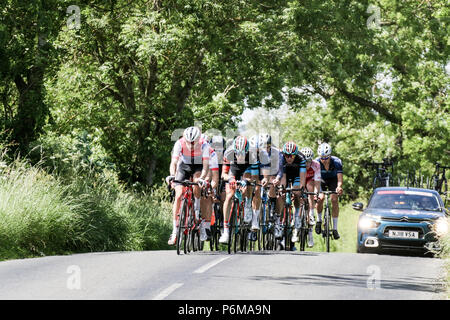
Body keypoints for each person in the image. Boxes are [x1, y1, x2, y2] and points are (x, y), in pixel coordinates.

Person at [218, 136, 270, 243]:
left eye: (242, 153)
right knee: (229, 196)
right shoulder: (229, 153)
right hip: (234, 168)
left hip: (248, 167)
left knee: (252, 185)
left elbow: (255, 179)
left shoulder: (253, 155)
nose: (240, 156)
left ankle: (248, 204)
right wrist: (231, 179)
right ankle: (226, 231)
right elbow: (224, 174)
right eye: (238, 153)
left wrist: (247, 181)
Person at [166, 126, 210, 245]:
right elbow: (174, 162)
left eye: (193, 142)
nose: (191, 145)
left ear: (198, 140)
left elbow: (206, 166)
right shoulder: (179, 143)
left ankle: (196, 211)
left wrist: (202, 179)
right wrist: (172, 175)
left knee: (197, 183)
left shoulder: (204, 145)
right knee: (179, 194)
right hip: (184, 166)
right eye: (188, 142)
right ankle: (175, 231)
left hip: (198, 166)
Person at [272, 141, 307, 249]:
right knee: (281, 192)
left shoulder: (301, 158)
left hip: (297, 175)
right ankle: (278, 220)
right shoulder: (281, 157)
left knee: (297, 192)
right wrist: (282, 188)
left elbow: (302, 178)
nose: (289, 158)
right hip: (285, 174)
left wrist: (300, 188)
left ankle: (297, 217)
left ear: (295, 154)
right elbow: (282, 175)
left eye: (291, 156)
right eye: (287, 155)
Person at [315, 143, 343, 240]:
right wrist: (317, 192)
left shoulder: (337, 162)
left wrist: (339, 187)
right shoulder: (316, 162)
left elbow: (339, 179)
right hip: (320, 181)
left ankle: (335, 229)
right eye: (322, 158)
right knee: (320, 198)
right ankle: (319, 221)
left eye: (326, 158)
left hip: (333, 180)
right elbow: (315, 180)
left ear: (330, 156)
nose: (324, 160)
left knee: (334, 199)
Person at [295, 147, 321, 247]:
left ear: (312, 160)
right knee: (299, 199)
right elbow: (295, 180)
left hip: (310, 181)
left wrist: (315, 195)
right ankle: (296, 229)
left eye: (309, 161)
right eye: (305, 161)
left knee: (311, 188)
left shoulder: (316, 165)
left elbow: (317, 183)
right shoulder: (298, 164)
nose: (307, 164)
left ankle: (311, 215)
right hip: (300, 181)